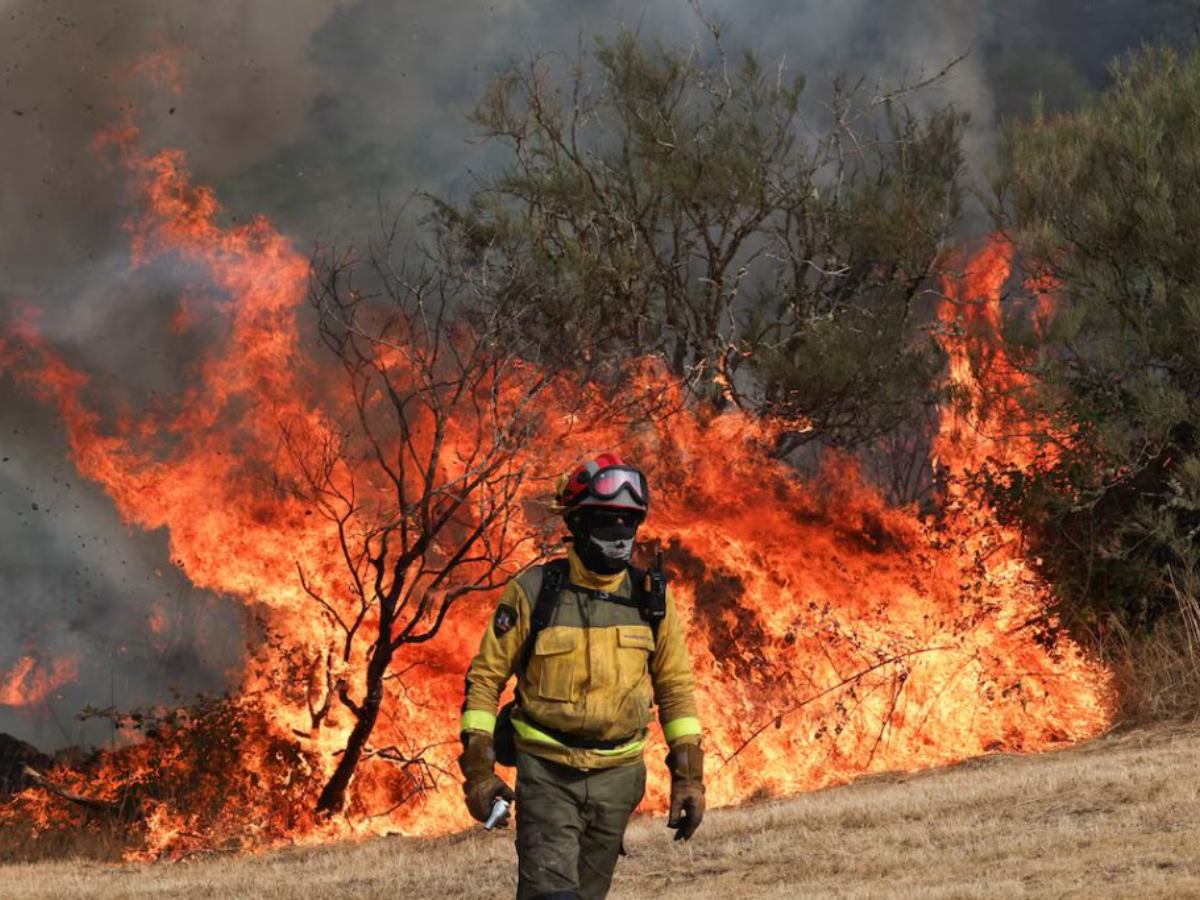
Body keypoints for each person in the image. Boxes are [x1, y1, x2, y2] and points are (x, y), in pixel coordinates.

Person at [458, 452, 705, 900]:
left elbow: (675, 690)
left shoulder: (650, 602)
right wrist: (478, 771)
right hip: (548, 774)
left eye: (628, 524)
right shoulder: (534, 593)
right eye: (606, 522)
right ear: (576, 523)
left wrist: (689, 776)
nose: (619, 536)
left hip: (619, 779)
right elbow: (484, 680)